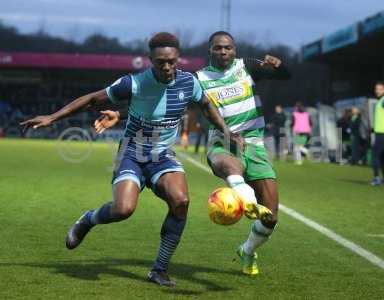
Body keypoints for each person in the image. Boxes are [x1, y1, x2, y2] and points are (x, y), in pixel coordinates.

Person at [20, 32, 243, 287]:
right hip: (132, 153)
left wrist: (225, 131)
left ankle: (159, 269)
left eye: (172, 61)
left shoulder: (188, 82)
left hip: (163, 156)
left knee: (181, 201)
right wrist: (51, 118)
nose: (167, 67)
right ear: (150, 60)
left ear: (177, 59)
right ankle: (88, 220)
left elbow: (206, 105)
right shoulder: (133, 83)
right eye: (161, 62)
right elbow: (93, 99)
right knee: (123, 209)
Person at [95, 31, 291, 276]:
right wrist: (120, 115)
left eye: (228, 48)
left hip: (255, 143)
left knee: (270, 218)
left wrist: (279, 65)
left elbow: (285, 76)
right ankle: (246, 198)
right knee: (230, 166)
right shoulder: (197, 78)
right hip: (222, 140)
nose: (223, 52)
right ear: (209, 50)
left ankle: (248, 250)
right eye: (218, 48)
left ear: (235, 50)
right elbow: (160, 103)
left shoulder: (247, 68)